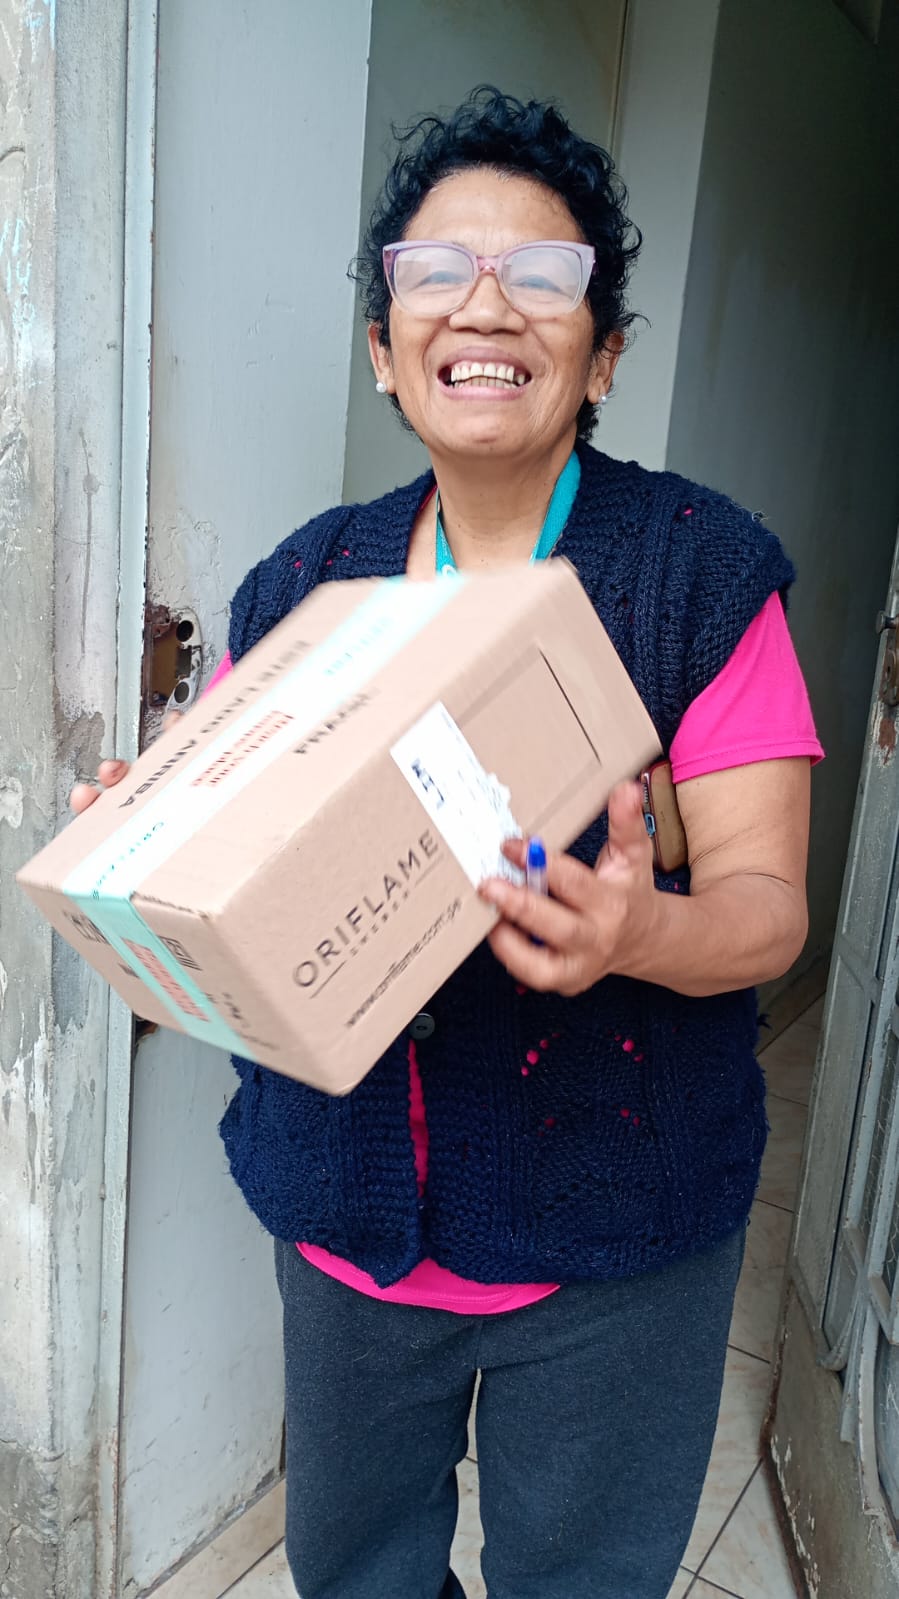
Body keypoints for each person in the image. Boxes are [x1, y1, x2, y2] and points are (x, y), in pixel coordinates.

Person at [73, 88, 823, 1599]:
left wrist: (640, 931)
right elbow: (238, 885)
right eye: (435, 271)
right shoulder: (304, 588)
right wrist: (147, 873)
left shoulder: (697, 577)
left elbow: (768, 907)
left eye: (542, 274)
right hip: (348, 1228)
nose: (486, 305)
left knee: (582, 1579)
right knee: (357, 1571)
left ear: (602, 354)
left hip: (614, 1243)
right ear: (384, 346)